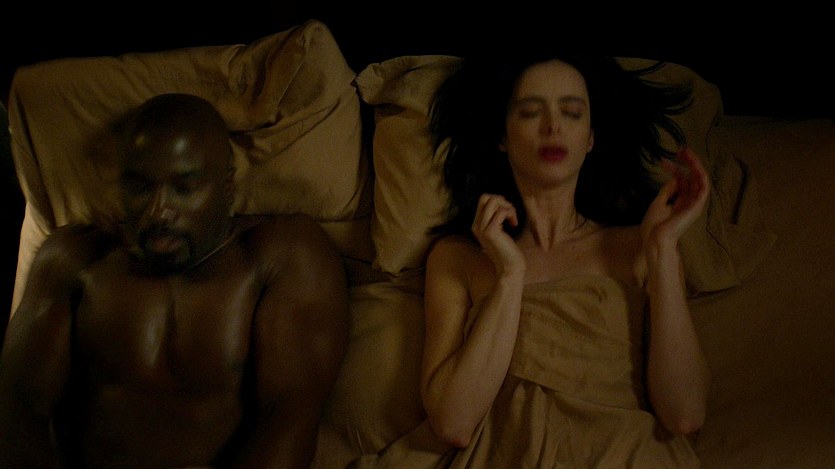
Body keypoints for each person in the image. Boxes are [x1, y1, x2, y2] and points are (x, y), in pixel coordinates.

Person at [0, 93, 350, 468]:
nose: (159, 212)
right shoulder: (74, 259)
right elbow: (16, 408)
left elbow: (290, 416)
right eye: (140, 187)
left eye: (184, 188)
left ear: (227, 186)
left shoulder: (282, 256)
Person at [420, 51, 711, 467]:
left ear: (590, 138)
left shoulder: (641, 247)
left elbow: (685, 413)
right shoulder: (458, 258)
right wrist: (510, 275)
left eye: (572, 113)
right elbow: (454, 422)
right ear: (502, 135)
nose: (553, 126)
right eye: (530, 112)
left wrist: (663, 250)